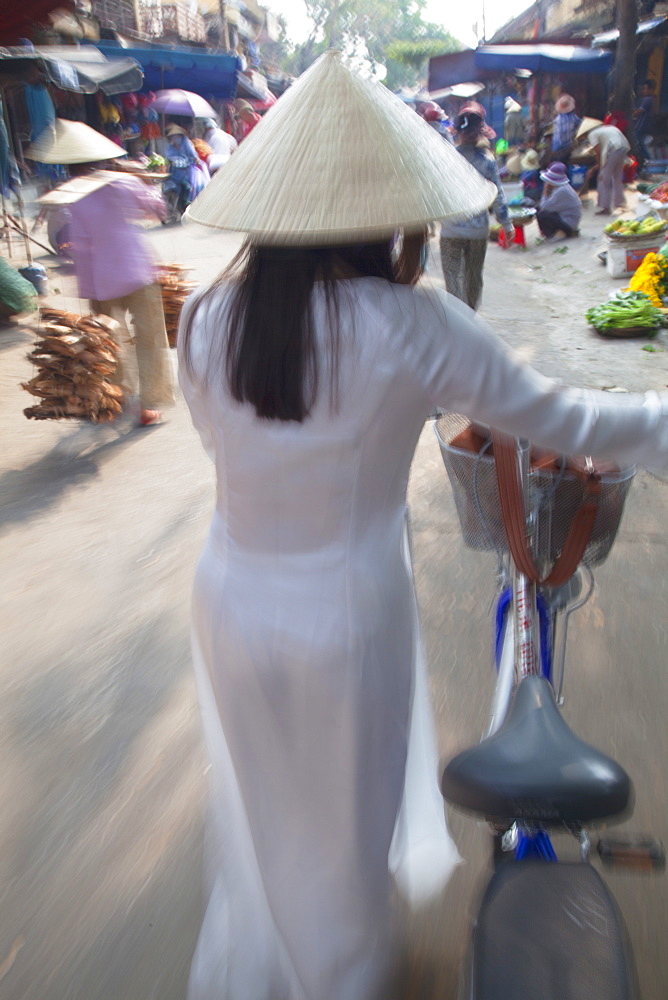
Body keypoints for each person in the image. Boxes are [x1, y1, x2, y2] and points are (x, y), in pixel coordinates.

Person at [176, 50, 668, 1000]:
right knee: (344, 839)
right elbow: (571, 424)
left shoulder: (204, 316)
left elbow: (219, 446)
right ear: (390, 207)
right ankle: (341, 977)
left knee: (269, 807)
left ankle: (285, 965)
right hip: (346, 618)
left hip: (232, 601)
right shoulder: (414, 326)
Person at [26, 119, 174, 426]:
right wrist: (140, 179)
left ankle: (120, 398)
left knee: (109, 343)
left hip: (97, 280)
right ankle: (148, 406)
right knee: (149, 340)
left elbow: (63, 243)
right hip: (136, 269)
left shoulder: (66, 195)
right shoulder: (122, 182)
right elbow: (158, 209)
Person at [440, 105, 514, 309]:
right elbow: (497, 193)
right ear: (479, 133)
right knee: (473, 280)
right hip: (477, 231)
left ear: (457, 132)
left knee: (453, 279)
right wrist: (506, 224)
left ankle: (457, 323)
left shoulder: (446, 159)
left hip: (451, 230)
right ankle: (470, 319)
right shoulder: (487, 162)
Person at [576, 116, 630, 215]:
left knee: (603, 178)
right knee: (617, 177)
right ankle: (619, 203)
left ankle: (605, 207)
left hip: (613, 148)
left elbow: (597, 150)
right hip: (623, 147)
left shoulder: (592, 134)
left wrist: (600, 165)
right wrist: (598, 166)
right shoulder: (608, 128)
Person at [536, 161, 582, 239]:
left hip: (569, 223)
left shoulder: (561, 191)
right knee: (539, 209)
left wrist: (545, 191)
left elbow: (544, 206)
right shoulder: (561, 188)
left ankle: (553, 234)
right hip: (568, 219)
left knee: (541, 213)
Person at [164, 123, 199, 212]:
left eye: (176, 136)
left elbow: (193, 156)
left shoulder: (186, 144)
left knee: (186, 188)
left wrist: (193, 160)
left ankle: (186, 203)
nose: (174, 139)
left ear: (180, 136)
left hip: (186, 172)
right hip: (174, 172)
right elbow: (168, 157)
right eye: (172, 137)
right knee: (167, 185)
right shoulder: (171, 147)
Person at [551, 94, 581, 163]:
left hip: (557, 146)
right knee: (564, 163)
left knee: (558, 164)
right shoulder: (572, 117)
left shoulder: (557, 118)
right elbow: (580, 123)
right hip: (565, 146)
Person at [634, 79, 656, 171]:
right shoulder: (651, 99)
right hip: (644, 126)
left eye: (646, 89)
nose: (644, 91)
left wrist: (632, 112)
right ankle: (647, 163)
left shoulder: (648, 99)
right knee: (641, 145)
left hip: (641, 127)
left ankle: (649, 162)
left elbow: (638, 112)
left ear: (651, 90)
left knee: (640, 145)